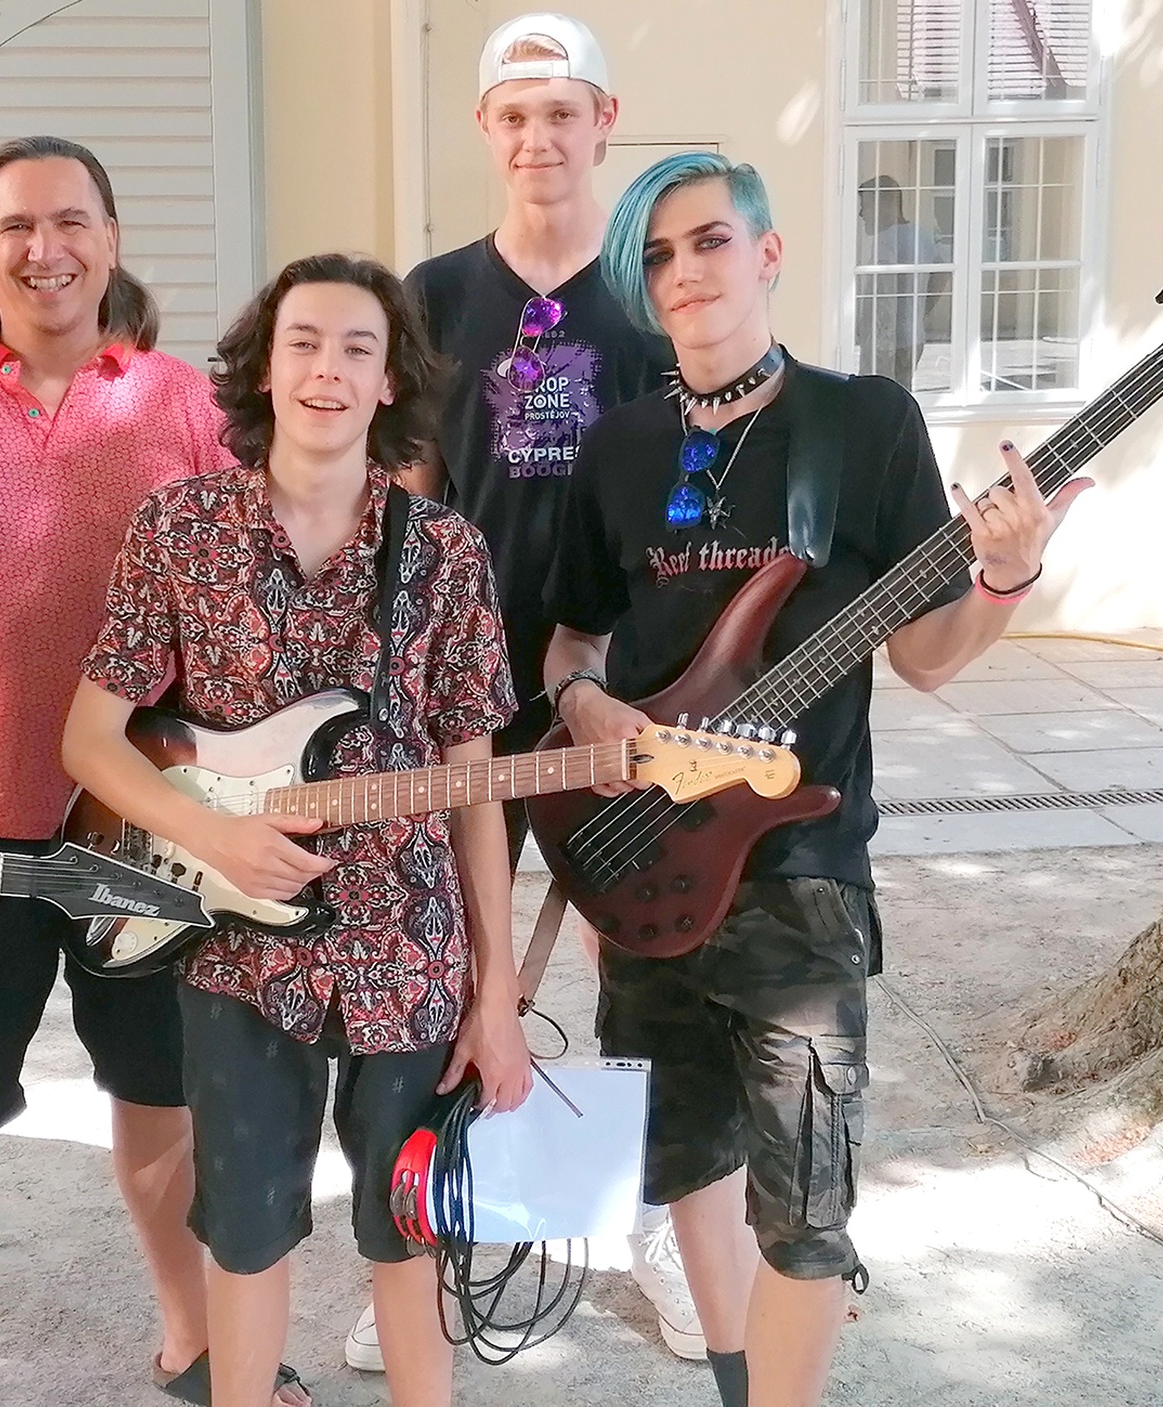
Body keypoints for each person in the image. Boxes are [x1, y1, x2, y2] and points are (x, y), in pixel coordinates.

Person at [542, 151, 1088, 1407]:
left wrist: (1003, 577)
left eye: (709, 241)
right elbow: (569, 640)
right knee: (683, 1159)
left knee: (805, 1213)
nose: (686, 272)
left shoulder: (861, 422)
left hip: (799, 869)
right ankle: (738, 1381)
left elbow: (927, 656)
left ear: (767, 253)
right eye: (659, 256)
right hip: (644, 856)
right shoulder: (618, 446)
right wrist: (588, 706)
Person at [62, 252, 534, 1407]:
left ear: (388, 382)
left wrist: (495, 997)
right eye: (304, 343)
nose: (328, 368)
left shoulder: (446, 553)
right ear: (264, 370)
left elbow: (473, 788)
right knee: (244, 1233)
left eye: (357, 349)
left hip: (408, 948)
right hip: (235, 947)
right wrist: (212, 837)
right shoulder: (180, 528)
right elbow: (90, 740)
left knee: (409, 1235)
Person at [0, 137, 262, 1407]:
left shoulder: (182, 404)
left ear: (110, 239)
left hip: (139, 824)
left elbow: (247, 602)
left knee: (157, 1097)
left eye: (69, 222)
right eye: (15, 227)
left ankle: (194, 1338)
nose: (44, 249)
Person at [392, 14, 691, 1369]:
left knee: (641, 953)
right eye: (513, 116)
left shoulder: (649, 295)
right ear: (484, 129)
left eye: (561, 113)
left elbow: (692, 495)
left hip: (620, 690)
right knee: (455, 960)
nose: (537, 138)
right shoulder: (433, 296)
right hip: (462, 691)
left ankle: (658, 1231)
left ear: (602, 121)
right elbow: (404, 499)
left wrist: (651, 671)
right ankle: (432, 1236)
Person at [855, 174, 942, 390]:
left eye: (865, 206)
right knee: (900, 396)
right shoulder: (921, 236)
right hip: (913, 337)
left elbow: (882, 296)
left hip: (887, 344)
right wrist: (919, 312)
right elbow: (942, 275)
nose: (861, 214)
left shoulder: (887, 240)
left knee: (877, 397)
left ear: (886, 205)